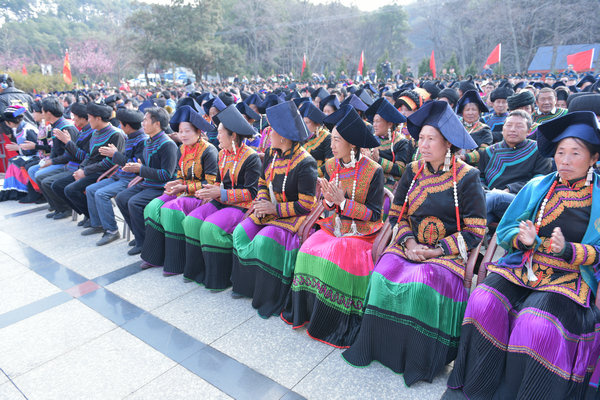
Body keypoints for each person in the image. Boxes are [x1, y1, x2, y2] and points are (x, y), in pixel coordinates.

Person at [447, 111, 600, 399]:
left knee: (536, 322)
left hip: (568, 278)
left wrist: (569, 250)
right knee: (483, 300)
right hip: (525, 265)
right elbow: (505, 230)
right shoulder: (537, 187)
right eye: (560, 152)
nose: (564, 160)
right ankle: (479, 387)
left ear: (593, 158)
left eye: (575, 153)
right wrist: (523, 239)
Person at [342, 101, 486, 385]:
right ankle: (378, 346)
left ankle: (417, 358)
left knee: (422, 284)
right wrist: (408, 244)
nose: (424, 144)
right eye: (421, 138)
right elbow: (396, 214)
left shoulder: (468, 177)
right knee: (383, 275)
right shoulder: (412, 170)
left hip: (446, 253)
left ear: (448, 143)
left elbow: (476, 231)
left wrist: (435, 251)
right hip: (410, 245)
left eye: (431, 138)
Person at [281, 105, 384, 347]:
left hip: (363, 233)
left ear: (352, 144)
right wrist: (328, 200)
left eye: (337, 140)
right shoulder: (331, 166)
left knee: (339, 252)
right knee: (307, 249)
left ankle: (331, 323)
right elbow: (329, 208)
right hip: (336, 226)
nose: (333, 144)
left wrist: (343, 203)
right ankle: (306, 313)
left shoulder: (373, 171)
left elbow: (376, 214)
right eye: (333, 139)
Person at [231, 101, 318, 317]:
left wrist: (274, 208)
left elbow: (307, 204)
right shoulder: (271, 153)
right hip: (268, 209)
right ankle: (246, 286)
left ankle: (268, 297)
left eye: (272, 130)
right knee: (239, 232)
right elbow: (261, 182)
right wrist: (261, 203)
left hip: (291, 217)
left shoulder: (306, 163)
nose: (267, 133)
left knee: (264, 240)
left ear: (285, 136)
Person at [182, 105, 261, 288]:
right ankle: (198, 271)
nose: (216, 137)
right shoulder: (222, 154)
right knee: (191, 221)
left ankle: (219, 278)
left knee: (210, 228)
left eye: (220, 133)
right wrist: (209, 190)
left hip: (242, 205)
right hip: (221, 200)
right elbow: (218, 182)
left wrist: (221, 192)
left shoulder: (251, 157)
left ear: (233, 135)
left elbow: (252, 192)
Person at [140, 106, 218, 275]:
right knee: (153, 206)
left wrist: (183, 187)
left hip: (201, 196)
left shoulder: (209, 150)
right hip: (184, 191)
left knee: (171, 209)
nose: (182, 135)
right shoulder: (182, 148)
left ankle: (176, 263)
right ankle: (155, 256)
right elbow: (181, 176)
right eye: (180, 131)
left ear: (198, 131)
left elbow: (210, 183)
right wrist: (175, 184)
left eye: (187, 131)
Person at [115, 107, 178, 255]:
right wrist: (136, 169)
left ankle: (145, 243)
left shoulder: (167, 144)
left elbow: (167, 175)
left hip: (161, 187)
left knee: (134, 202)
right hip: (148, 183)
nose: (142, 123)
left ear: (156, 124)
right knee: (121, 198)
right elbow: (144, 165)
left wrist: (140, 170)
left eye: (146, 120)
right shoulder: (149, 141)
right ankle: (139, 235)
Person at [50, 103, 125, 226]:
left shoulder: (115, 134)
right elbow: (89, 156)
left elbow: (110, 163)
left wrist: (85, 171)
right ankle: (89, 214)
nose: (88, 120)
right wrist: (81, 169)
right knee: (58, 185)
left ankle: (94, 219)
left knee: (70, 189)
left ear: (98, 118)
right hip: (91, 170)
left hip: (103, 173)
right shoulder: (95, 133)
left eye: (89, 117)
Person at [81, 109, 148, 246]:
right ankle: (98, 224)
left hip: (130, 178)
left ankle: (111, 230)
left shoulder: (142, 140)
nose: (120, 128)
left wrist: (115, 154)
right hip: (119, 174)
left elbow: (135, 164)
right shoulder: (130, 136)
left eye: (122, 125)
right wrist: (115, 155)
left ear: (127, 126)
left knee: (101, 194)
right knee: (91, 189)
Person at [480, 110, 552, 224]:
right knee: (478, 222)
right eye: (509, 125)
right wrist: (484, 189)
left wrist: (510, 189)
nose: (513, 129)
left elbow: (539, 181)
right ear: (503, 129)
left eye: (519, 126)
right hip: (489, 199)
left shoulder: (538, 150)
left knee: (496, 197)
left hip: (520, 202)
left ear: (528, 131)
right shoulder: (489, 151)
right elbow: (481, 177)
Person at [36, 97, 81, 219]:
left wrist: (52, 161)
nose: (42, 113)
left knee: (43, 178)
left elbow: (71, 154)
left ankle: (64, 208)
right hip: (62, 161)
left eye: (43, 111)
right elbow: (56, 149)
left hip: (70, 163)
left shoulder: (66, 127)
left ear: (48, 113)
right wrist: (50, 160)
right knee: (37, 173)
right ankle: (56, 206)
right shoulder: (56, 125)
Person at [364, 98, 409, 191]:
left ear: (389, 124)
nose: (374, 125)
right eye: (373, 121)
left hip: (391, 184)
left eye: (378, 121)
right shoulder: (371, 139)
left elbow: (401, 170)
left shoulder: (401, 142)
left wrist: (379, 160)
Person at [0, 105, 40, 201]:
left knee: (16, 166)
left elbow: (35, 148)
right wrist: (18, 148)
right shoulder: (17, 129)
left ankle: (24, 191)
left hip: (36, 156)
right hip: (27, 155)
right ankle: (14, 191)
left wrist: (18, 148)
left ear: (9, 122)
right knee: (12, 165)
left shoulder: (28, 129)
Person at [456, 90, 493, 165]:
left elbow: (484, 152)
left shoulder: (484, 130)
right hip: (454, 165)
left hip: (475, 169)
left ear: (479, 112)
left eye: (474, 109)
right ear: (462, 112)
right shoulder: (456, 127)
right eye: (467, 110)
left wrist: (465, 157)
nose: (470, 113)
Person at [299, 101, 333, 172]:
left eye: (307, 122)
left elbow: (330, 163)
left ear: (317, 124)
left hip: (320, 177)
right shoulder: (300, 137)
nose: (304, 125)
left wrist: (313, 174)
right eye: (303, 122)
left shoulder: (327, 138)